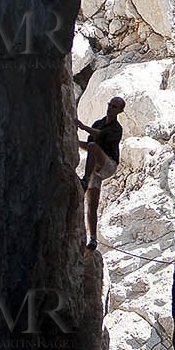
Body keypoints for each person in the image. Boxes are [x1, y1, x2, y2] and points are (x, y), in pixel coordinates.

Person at [76, 97, 125, 251]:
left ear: (120, 111)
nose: (111, 108)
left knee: (92, 146)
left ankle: (85, 179)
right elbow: (90, 146)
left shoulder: (117, 129)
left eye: (115, 106)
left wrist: (82, 127)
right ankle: (93, 239)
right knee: (92, 204)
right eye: (110, 104)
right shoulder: (98, 123)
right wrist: (74, 142)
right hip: (97, 168)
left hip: (109, 164)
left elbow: (99, 137)